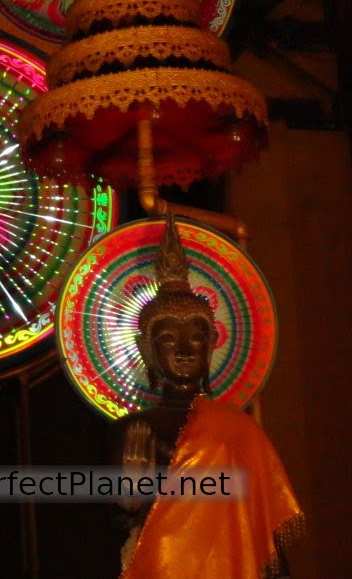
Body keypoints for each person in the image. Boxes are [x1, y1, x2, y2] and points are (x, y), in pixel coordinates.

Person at [113, 211, 302, 578]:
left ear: (213, 343)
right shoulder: (135, 428)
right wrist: (131, 496)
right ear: (146, 348)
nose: (184, 349)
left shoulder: (238, 428)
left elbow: (263, 526)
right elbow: (121, 518)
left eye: (196, 337)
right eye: (168, 339)